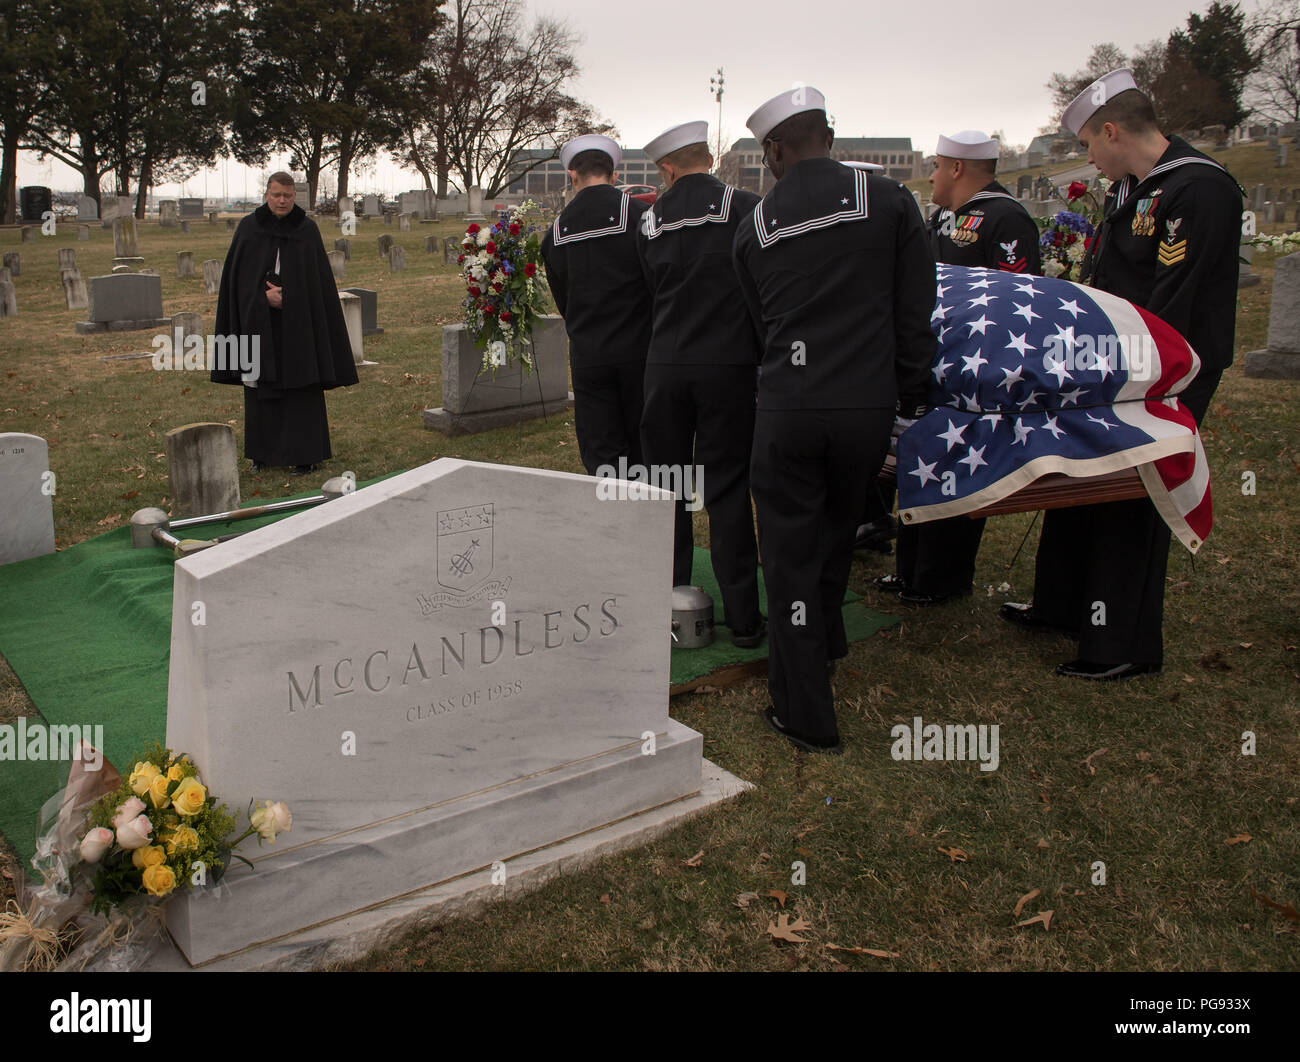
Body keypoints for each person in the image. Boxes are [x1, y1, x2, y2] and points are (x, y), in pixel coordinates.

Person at [1001, 68, 1244, 679]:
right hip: (1111, 363)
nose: (1087, 159)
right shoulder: (1132, 189)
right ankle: (1061, 606)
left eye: (1087, 145)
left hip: (1165, 368)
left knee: (1131, 492)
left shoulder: (1198, 189)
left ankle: (1122, 644)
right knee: (1075, 474)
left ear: (1112, 131)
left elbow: (1174, 301)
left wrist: (1125, 369)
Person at [733, 87, 935, 753]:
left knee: (788, 555)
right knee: (836, 531)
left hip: (790, 406)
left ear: (774, 150)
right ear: (830, 135)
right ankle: (826, 641)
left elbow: (761, 327)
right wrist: (909, 387)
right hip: (866, 406)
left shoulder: (755, 227)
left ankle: (804, 712)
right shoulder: (893, 202)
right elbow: (914, 310)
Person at [883, 131, 1042, 605]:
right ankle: (912, 570)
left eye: (936, 165)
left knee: (958, 467)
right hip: (932, 365)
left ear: (956, 168)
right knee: (922, 463)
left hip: (974, 371)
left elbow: (1018, 298)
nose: (930, 175)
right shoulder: (942, 218)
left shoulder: (1005, 217)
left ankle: (941, 578)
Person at [636, 120, 764, 647]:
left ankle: (669, 600)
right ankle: (743, 619)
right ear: (707, 157)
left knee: (668, 487)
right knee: (728, 489)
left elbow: (649, 289)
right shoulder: (747, 207)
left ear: (667, 167)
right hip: (728, 363)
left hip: (665, 364)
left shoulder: (649, 220)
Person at [211, 172, 356, 474]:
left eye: (287, 196)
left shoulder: (306, 230)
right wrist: (263, 299)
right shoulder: (249, 229)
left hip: (299, 326)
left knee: (301, 387)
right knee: (260, 387)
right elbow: (236, 282)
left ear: (294, 197)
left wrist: (289, 297)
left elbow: (318, 286)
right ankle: (261, 455)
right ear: (267, 194)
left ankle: (306, 455)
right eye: (277, 194)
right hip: (258, 324)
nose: (282, 200)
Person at [540, 135, 652, 475]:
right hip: (640, 352)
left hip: (589, 355)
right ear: (614, 175)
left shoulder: (555, 232)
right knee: (646, 448)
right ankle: (653, 523)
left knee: (603, 454)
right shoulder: (641, 216)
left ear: (573, 176)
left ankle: (613, 524)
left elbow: (563, 300)